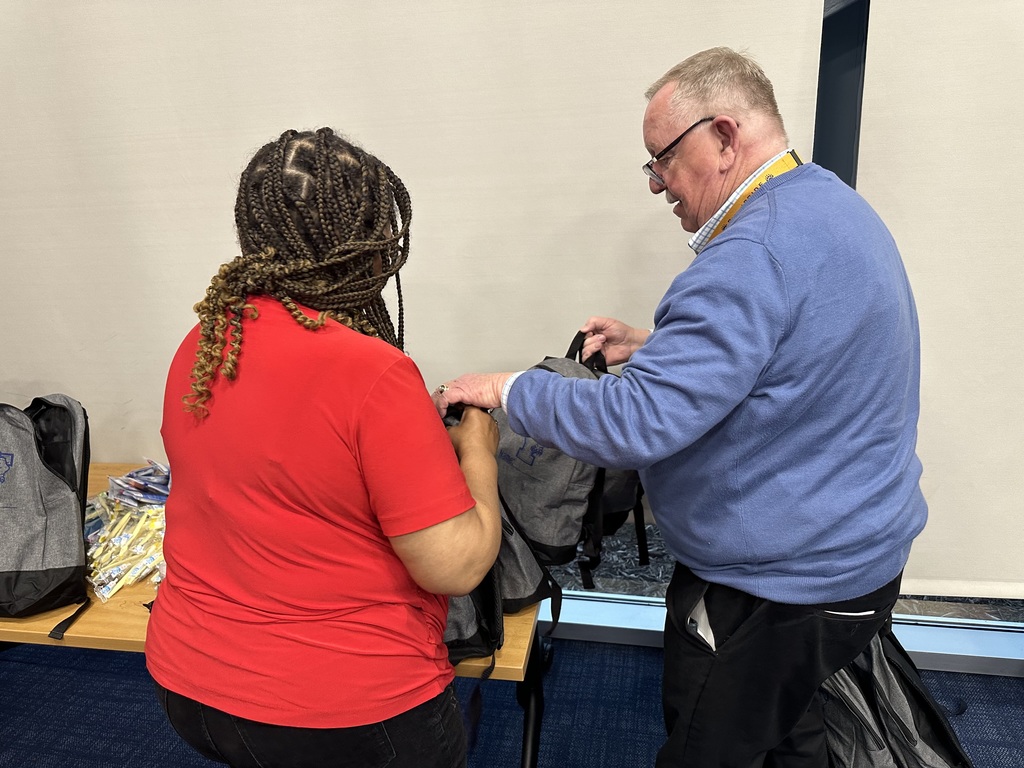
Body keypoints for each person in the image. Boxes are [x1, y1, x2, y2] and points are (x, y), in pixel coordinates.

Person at [432, 48, 928, 767]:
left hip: (775, 589)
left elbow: (632, 425)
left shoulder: (748, 256)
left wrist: (506, 389)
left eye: (662, 157)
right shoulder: (827, 203)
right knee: (788, 727)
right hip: (857, 561)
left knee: (710, 745)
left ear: (725, 135)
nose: (657, 182)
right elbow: (787, 350)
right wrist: (658, 347)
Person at [146, 128, 501, 768]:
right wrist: (479, 450)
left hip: (189, 686)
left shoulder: (203, 345)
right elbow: (455, 566)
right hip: (349, 713)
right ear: (372, 251)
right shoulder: (375, 373)